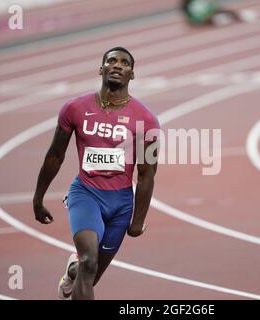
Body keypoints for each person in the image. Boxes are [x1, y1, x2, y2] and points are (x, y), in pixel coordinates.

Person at [32, 47, 160, 300]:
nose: (117, 65)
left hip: (121, 204)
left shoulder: (147, 120)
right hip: (86, 194)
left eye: (124, 63)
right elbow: (55, 155)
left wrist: (137, 220)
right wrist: (38, 198)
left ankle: (72, 270)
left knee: (90, 274)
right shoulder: (74, 109)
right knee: (89, 261)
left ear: (131, 75)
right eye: (111, 60)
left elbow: (147, 174)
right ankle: (80, 265)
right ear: (101, 69)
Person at [181, 0, 258, 27]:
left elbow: (212, 7)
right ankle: (219, 19)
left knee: (222, 10)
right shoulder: (186, 3)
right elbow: (190, 18)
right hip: (199, 18)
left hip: (209, 13)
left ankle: (240, 15)